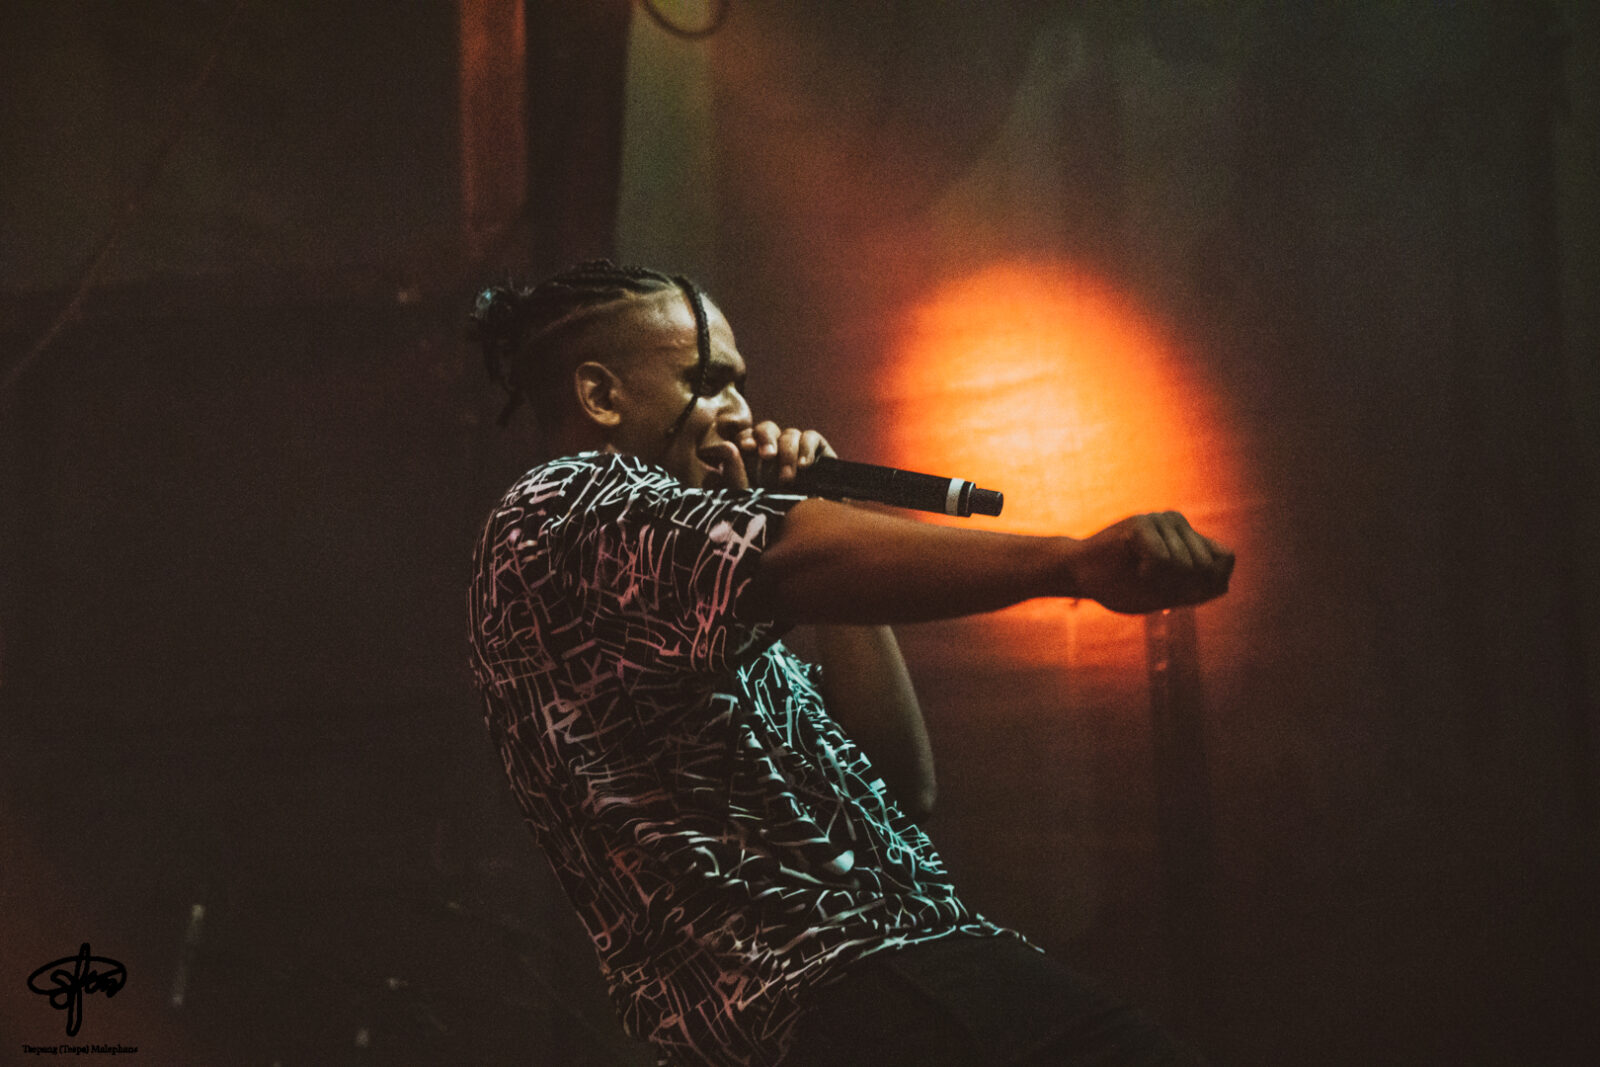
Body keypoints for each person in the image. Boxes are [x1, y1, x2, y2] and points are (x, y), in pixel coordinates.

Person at [467, 261, 1233, 1067]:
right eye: (707, 382)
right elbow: (795, 556)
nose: (742, 412)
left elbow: (901, 783)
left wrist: (818, 508)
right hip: (848, 976)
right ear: (601, 395)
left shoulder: (673, 600)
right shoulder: (559, 510)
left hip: (819, 1013)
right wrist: (1068, 564)